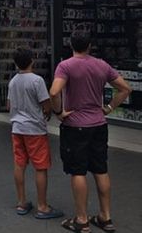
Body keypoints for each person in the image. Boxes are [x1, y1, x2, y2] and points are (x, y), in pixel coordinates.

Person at [50, 31, 132, 233]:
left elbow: (54, 91)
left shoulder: (66, 66)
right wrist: (109, 108)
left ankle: (82, 219)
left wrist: (59, 112)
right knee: (100, 169)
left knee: (78, 171)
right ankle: (105, 216)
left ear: (71, 45)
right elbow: (125, 88)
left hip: (75, 126)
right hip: (98, 124)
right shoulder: (102, 65)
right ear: (89, 46)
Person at [7, 48, 64, 219]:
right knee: (40, 167)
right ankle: (42, 206)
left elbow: (9, 106)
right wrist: (48, 113)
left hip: (17, 128)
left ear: (16, 63)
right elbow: (46, 104)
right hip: (35, 129)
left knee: (19, 164)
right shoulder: (37, 81)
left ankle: (21, 202)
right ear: (32, 61)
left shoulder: (13, 82)